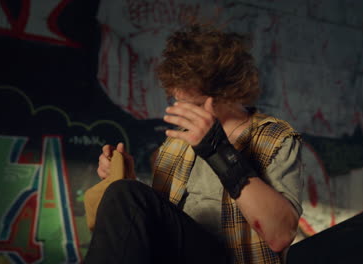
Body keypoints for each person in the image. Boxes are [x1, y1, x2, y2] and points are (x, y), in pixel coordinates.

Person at [85, 23, 303, 264]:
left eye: (196, 105)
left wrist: (218, 150)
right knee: (123, 193)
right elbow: (161, 227)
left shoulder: (274, 137)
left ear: (231, 92)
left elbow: (280, 236)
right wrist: (128, 187)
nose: (182, 111)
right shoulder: (176, 144)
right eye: (178, 101)